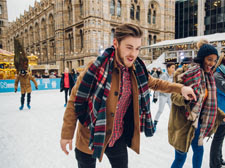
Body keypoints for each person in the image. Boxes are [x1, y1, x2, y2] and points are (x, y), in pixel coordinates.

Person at [60, 23, 196, 168]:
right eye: (129, 47)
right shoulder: (96, 67)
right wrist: (67, 134)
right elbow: (75, 100)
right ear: (116, 43)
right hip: (91, 135)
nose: (133, 54)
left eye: (137, 48)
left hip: (117, 136)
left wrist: (181, 88)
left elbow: (155, 83)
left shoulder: (136, 70)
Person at [168, 39, 225, 168]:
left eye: (214, 60)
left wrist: (223, 116)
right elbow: (174, 97)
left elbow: (208, 103)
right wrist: (185, 98)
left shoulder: (209, 77)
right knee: (180, 158)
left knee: (199, 152)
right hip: (184, 124)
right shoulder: (185, 74)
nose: (212, 63)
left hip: (198, 124)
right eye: (209, 59)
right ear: (202, 58)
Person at [153, 63, 176, 132]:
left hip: (170, 96)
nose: (174, 69)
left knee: (173, 110)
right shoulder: (163, 76)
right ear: (168, 68)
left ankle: (173, 125)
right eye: (172, 67)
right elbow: (158, 86)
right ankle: (154, 123)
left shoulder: (173, 76)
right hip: (163, 95)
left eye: (174, 67)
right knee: (160, 110)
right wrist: (155, 96)